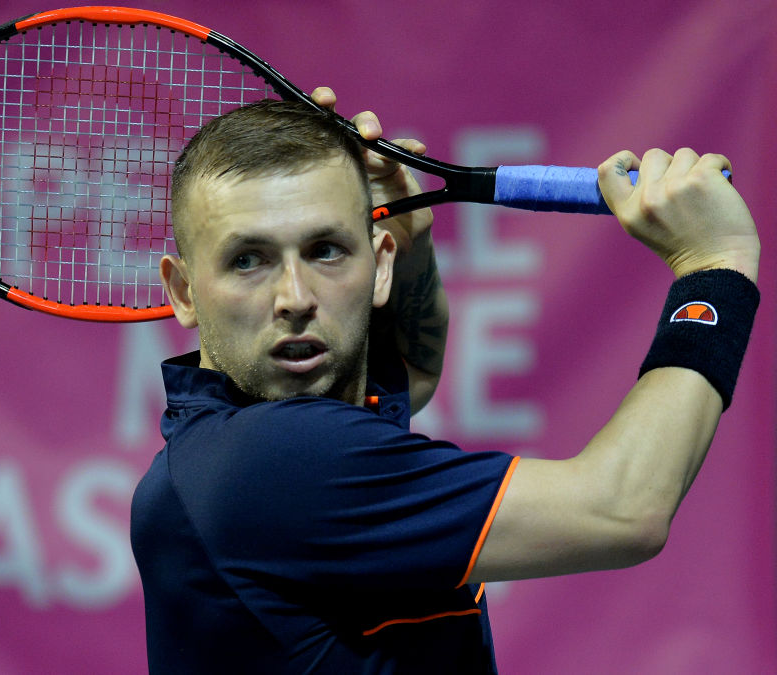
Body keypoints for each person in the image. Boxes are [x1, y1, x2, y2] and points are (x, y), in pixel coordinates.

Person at [129, 87, 761, 674]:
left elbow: (417, 367)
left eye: (325, 250)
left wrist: (412, 245)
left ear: (380, 264)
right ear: (182, 291)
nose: (294, 297)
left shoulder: (225, 444)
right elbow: (623, 509)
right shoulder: (268, 461)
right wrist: (714, 267)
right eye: (248, 260)